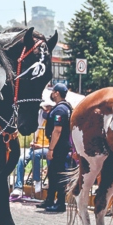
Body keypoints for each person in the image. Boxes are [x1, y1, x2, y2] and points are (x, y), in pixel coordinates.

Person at [40, 82, 73, 212]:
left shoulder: (60, 109)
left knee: (58, 175)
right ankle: (49, 200)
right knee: (53, 174)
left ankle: (60, 204)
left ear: (57, 93)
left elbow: (57, 130)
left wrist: (51, 149)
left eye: (53, 92)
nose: (51, 94)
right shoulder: (65, 107)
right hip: (61, 146)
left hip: (59, 147)